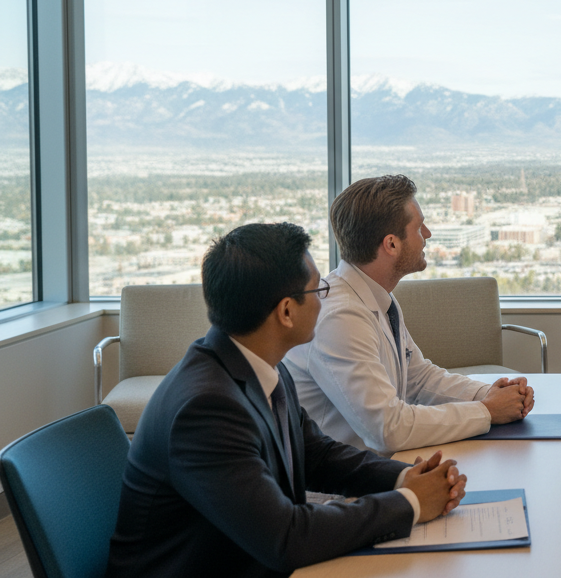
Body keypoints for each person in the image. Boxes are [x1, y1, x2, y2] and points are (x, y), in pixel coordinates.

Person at [107, 223, 469, 578]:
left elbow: (317, 454)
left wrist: (406, 477)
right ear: (285, 311)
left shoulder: (258, 364)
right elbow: (285, 537)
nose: (325, 297)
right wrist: (412, 502)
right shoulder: (205, 409)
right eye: (317, 290)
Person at [284, 175, 534, 455]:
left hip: (378, 469)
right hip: (342, 491)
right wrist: (486, 411)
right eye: (418, 227)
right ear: (391, 244)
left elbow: (418, 379)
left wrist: (487, 394)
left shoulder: (379, 297)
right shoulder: (339, 317)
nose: (427, 234)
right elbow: (388, 429)